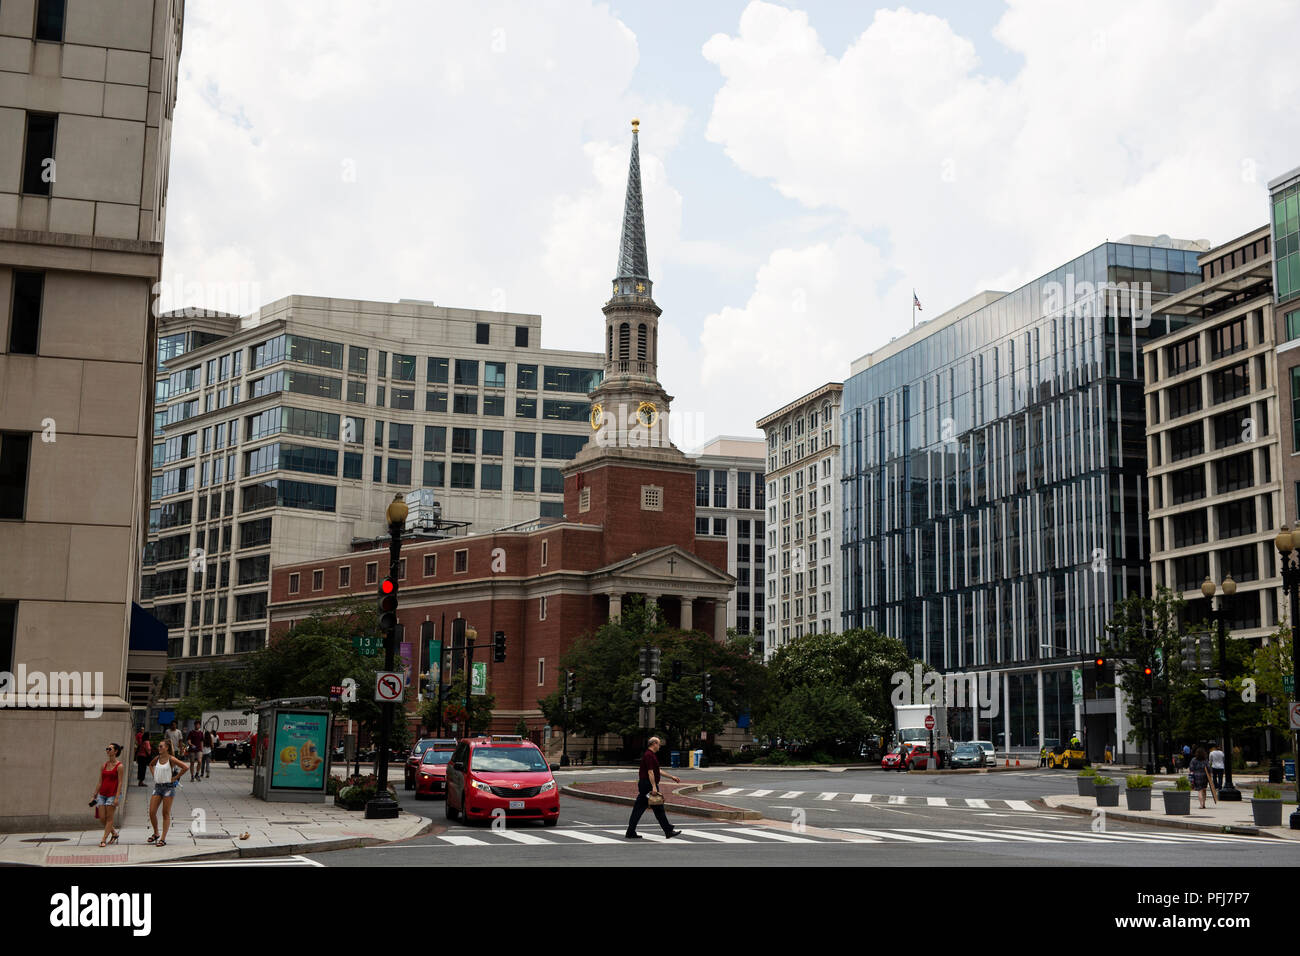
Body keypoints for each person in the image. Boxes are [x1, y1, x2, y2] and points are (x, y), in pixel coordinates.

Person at [625, 736, 682, 840]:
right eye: (659, 744)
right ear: (654, 744)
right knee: (656, 808)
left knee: (644, 808)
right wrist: (654, 787)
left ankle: (631, 831)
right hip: (648, 785)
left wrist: (672, 777)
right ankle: (668, 830)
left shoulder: (651, 755)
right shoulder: (649, 755)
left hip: (646, 785)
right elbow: (650, 772)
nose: (660, 746)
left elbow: (657, 770)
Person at [148, 739, 189, 847]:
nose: (159, 748)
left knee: (165, 813)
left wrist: (175, 778)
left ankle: (163, 838)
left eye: (161, 746)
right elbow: (150, 765)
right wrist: (154, 775)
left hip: (168, 788)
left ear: (167, 748)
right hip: (158, 787)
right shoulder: (157, 758)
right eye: (159, 746)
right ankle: (156, 833)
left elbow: (185, 767)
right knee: (152, 812)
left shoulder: (171, 759)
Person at [91, 742, 125, 847]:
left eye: (110, 749)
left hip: (112, 795)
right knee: (102, 818)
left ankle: (103, 839)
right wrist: (94, 794)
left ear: (116, 751)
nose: (107, 750)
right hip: (102, 794)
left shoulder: (120, 766)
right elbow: (100, 781)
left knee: (109, 818)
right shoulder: (104, 765)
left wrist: (116, 797)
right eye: (107, 748)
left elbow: (120, 782)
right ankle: (114, 833)